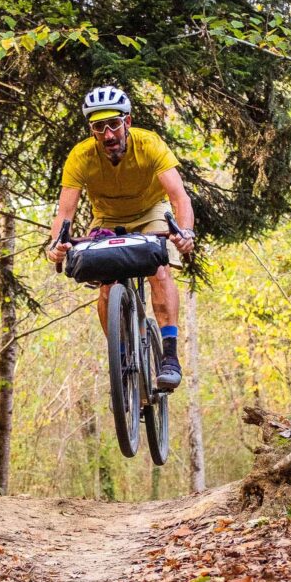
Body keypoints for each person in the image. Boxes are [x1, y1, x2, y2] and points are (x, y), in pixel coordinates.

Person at [47, 85, 195, 389]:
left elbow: (179, 197)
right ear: (92, 130)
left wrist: (184, 233)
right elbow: (65, 212)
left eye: (114, 124)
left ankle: (169, 355)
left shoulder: (149, 144)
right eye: (99, 127)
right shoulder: (81, 156)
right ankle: (123, 355)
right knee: (105, 284)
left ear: (127, 122)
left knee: (160, 270)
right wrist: (55, 246)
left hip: (151, 211)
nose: (108, 134)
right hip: (108, 218)